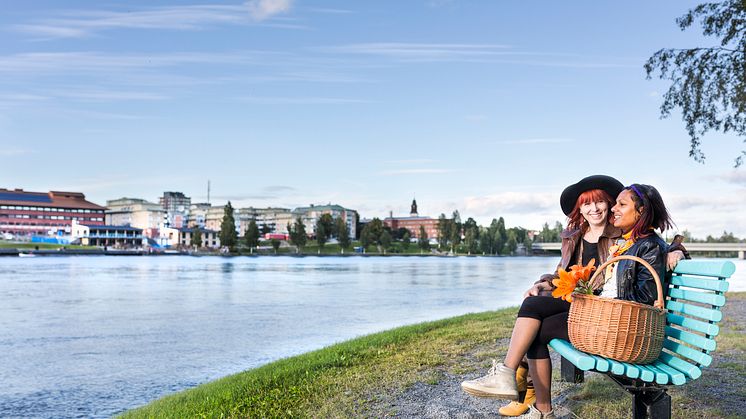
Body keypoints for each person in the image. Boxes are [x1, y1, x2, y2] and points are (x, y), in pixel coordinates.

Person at [461, 179, 684, 419]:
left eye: (605, 202)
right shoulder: (596, 237)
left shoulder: (628, 236)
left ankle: (514, 382)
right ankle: (534, 402)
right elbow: (564, 273)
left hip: (614, 323)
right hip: (596, 309)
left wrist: (677, 249)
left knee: (533, 309)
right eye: (587, 204)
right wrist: (543, 284)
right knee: (534, 310)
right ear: (580, 209)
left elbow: (653, 252)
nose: (601, 209)